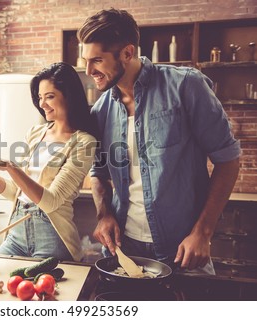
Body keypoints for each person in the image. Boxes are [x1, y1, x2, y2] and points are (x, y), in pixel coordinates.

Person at [77, 8, 240, 273]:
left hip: (183, 248)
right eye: (86, 60)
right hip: (125, 247)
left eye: (96, 60)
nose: (88, 70)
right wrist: (104, 214)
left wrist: (203, 233)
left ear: (128, 53)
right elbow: (99, 171)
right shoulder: (101, 109)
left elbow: (228, 160)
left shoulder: (186, 86)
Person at [0, 62, 98, 261]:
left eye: (50, 96)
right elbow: (16, 191)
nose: (42, 104)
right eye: (40, 97)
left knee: (39, 291)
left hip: (52, 234)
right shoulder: (36, 133)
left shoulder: (84, 142)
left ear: (68, 96)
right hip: (17, 229)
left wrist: (10, 167)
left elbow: (51, 201)